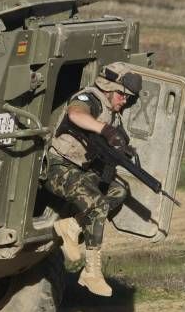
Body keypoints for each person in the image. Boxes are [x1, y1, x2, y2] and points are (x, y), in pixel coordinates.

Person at [44, 62, 142, 297]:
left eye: (128, 98)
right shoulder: (91, 98)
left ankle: (72, 226)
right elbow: (75, 114)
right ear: (109, 88)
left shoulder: (114, 115)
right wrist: (105, 130)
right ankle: (91, 272)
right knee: (98, 204)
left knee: (119, 191)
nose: (123, 101)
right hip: (58, 167)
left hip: (81, 171)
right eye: (121, 95)